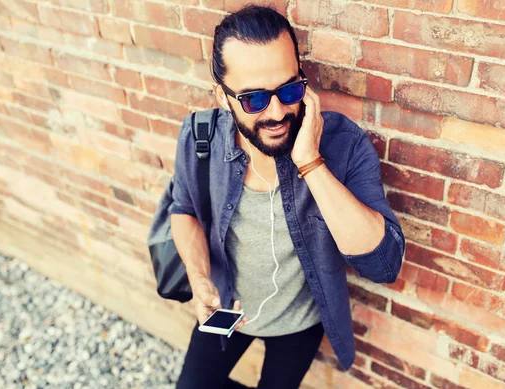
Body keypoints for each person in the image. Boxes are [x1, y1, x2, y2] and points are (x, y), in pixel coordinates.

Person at [170, 5, 405, 389]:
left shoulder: (343, 144)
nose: (277, 112)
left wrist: (311, 163)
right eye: (254, 100)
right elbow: (182, 210)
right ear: (222, 96)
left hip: (300, 322)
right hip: (227, 307)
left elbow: (383, 265)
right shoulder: (200, 137)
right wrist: (199, 278)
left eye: (289, 90)